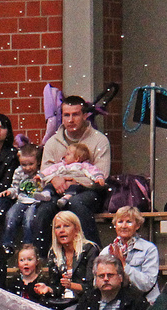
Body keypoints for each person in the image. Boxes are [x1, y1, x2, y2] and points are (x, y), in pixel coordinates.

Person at [35, 96, 113, 246]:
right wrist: (54, 180)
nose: (71, 120)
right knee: (44, 209)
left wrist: (74, 182)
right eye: (66, 115)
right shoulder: (52, 142)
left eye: (75, 114)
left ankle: (92, 252)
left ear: (85, 116)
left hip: (89, 192)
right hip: (57, 190)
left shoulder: (99, 140)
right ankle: (42, 258)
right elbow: (44, 171)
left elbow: (102, 176)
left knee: (76, 203)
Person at [42, 210, 101, 310]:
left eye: (66, 226)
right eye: (58, 227)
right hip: (61, 302)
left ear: (77, 229)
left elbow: (93, 287)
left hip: (84, 303)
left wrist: (71, 285)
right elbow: (57, 286)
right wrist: (49, 289)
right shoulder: (54, 253)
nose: (62, 230)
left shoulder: (89, 249)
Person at [100, 205, 160, 302]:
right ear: (115, 225)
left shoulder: (149, 249)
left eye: (129, 222)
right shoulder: (106, 251)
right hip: (116, 303)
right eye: (120, 222)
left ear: (137, 225)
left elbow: (147, 284)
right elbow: (97, 282)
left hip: (146, 302)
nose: (123, 226)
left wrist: (123, 266)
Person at [70, 253, 146, 310]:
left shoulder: (135, 300)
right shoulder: (88, 299)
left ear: (120, 277)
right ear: (96, 280)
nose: (106, 279)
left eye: (110, 275)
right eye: (101, 276)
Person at [0, 144, 47, 250]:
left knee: (29, 218)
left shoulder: (41, 173)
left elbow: (45, 189)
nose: (27, 168)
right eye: (24, 164)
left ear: (38, 162)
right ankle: (7, 244)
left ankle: (28, 244)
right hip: (21, 200)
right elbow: (15, 188)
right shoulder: (18, 172)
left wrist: (40, 182)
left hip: (35, 201)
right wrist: (9, 192)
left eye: (31, 164)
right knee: (10, 216)